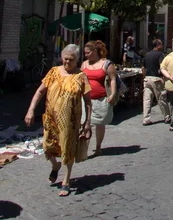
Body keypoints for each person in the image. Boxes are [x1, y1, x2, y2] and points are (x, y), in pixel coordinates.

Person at [25, 44, 92, 197]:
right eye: (65, 59)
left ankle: (66, 181)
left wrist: (87, 122)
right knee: (47, 147)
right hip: (51, 119)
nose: (67, 62)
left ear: (77, 60)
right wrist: (31, 110)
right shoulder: (54, 72)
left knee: (67, 149)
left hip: (70, 121)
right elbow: (39, 92)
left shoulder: (81, 76)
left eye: (71, 60)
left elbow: (88, 101)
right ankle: (55, 166)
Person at [82, 40, 117, 156]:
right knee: (86, 124)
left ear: (95, 51)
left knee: (100, 124)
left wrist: (112, 94)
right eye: (85, 53)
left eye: (87, 53)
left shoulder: (106, 64)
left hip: (101, 100)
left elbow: (112, 79)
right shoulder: (84, 64)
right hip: (86, 100)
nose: (85, 55)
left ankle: (98, 147)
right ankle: (84, 150)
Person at [142, 39, 170, 125]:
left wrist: (144, 77)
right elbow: (162, 66)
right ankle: (167, 117)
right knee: (161, 98)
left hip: (147, 78)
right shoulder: (160, 54)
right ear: (158, 45)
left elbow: (143, 68)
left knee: (147, 100)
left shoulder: (147, 54)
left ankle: (146, 119)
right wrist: (164, 77)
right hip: (156, 78)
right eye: (161, 44)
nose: (162, 46)